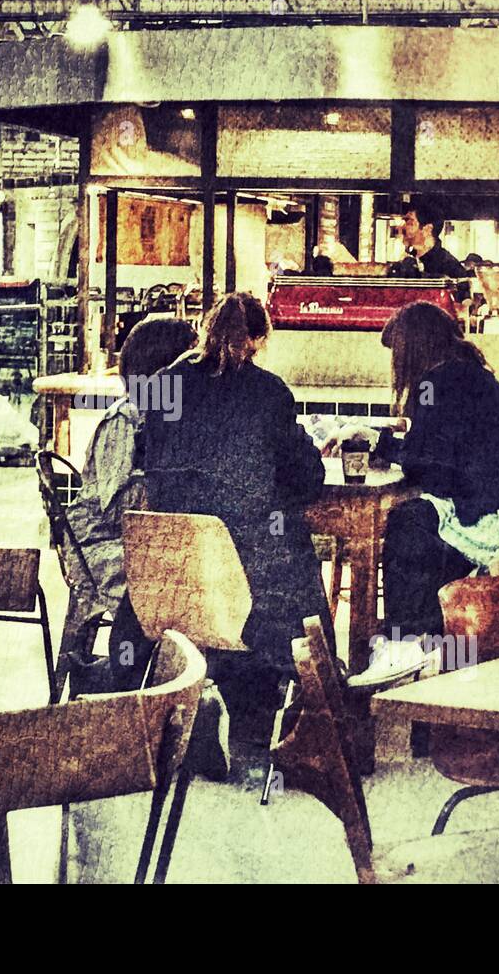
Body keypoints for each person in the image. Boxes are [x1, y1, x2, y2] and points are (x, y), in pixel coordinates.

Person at [138, 293, 329, 731]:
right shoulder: (268, 392)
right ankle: (312, 715)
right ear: (260, 340)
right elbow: (306, 479)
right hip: (242, 577)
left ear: (205, 331)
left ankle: (218, 697)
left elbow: (146, 457)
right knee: (294, 551)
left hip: (170, 570)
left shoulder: (166, 384)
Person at [377, 301, 499, 643]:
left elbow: (429, 469)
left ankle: (405, 641)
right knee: (420, 520)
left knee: (408, 523)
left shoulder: (437, 380)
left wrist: (379, 444)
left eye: (397, 354)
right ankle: (423, 633)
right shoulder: (466, 372)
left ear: (414, 349)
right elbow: (445, 450)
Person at [63, 317, 198, 691]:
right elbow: (115, 508)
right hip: (105, 544)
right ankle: (128, 679)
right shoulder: (125, 421)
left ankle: (163, 677)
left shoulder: (176, 415)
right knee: (170, 583)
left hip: (149, 541)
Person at [392, 199, 468, 284]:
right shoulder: (407, 262)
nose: (401, 228)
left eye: (409, 223)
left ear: (428, 229)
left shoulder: (450, 267)